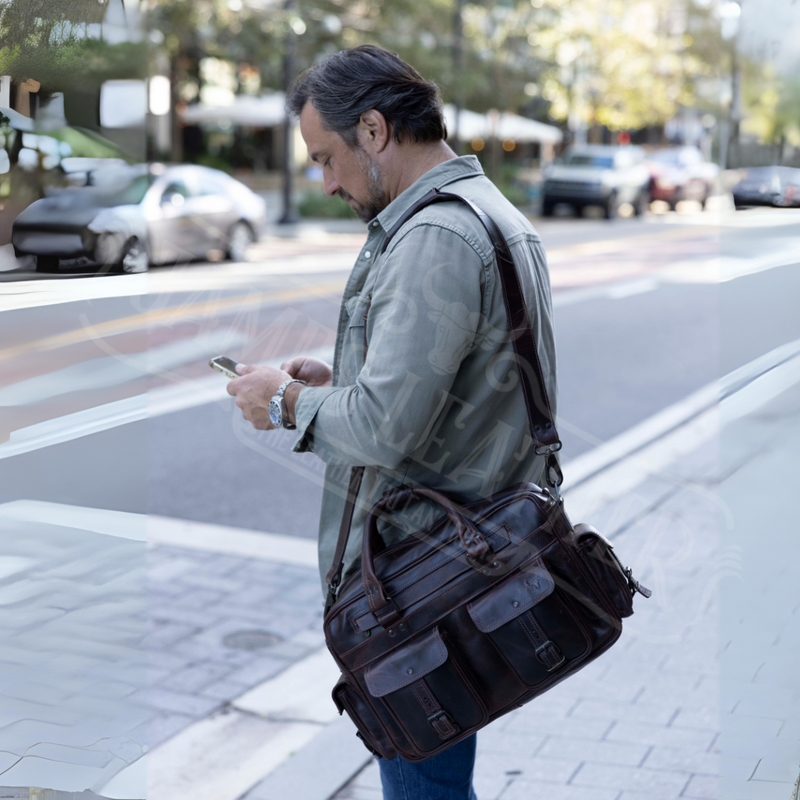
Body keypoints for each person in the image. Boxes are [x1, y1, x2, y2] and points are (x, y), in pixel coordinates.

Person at [227, 44, 557, 800]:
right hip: (459, 562)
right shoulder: (484, 211)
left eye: (326, 158)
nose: (326, 181)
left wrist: (284, 403)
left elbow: (382, 429)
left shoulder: (433, 238)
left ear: (373, 131)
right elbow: (456, 391)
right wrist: (340, 383)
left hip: (418, 585)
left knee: (426, 789)